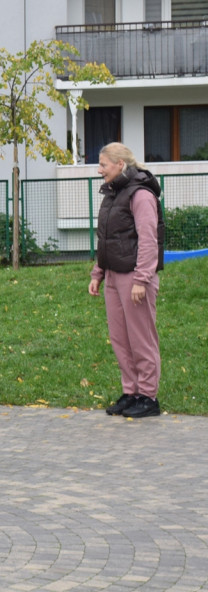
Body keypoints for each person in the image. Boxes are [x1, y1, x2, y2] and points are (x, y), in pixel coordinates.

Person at [88, 142, 164, 418]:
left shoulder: (141, 194)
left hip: (135, 277)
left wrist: (142, 279)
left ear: (120, 164)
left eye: (103, 165)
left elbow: (148, 240)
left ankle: (148, 396)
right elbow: (106, 239)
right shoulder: (112, 193)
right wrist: (98, 273)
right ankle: (131, 391)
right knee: (120, 339)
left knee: (141, 338)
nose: (99, 170)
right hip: (113, 275)